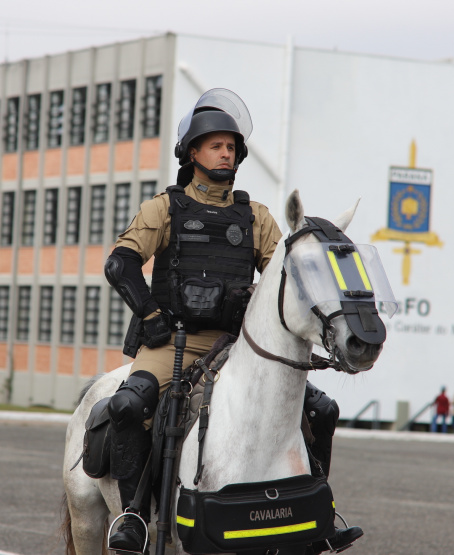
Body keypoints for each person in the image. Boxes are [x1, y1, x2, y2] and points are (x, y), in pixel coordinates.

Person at [103, 89, 362, 554]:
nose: (227, 152)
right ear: (193, 153)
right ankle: (134, 516)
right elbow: (120, 264)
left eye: (232, 146)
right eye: (217, 145)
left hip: (234, 346)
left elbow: (288, 278)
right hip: (171, 342)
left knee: (322, 410)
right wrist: (151, 316)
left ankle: (321, 511)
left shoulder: (258, 218)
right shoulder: (163, 208)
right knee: (127, 406)